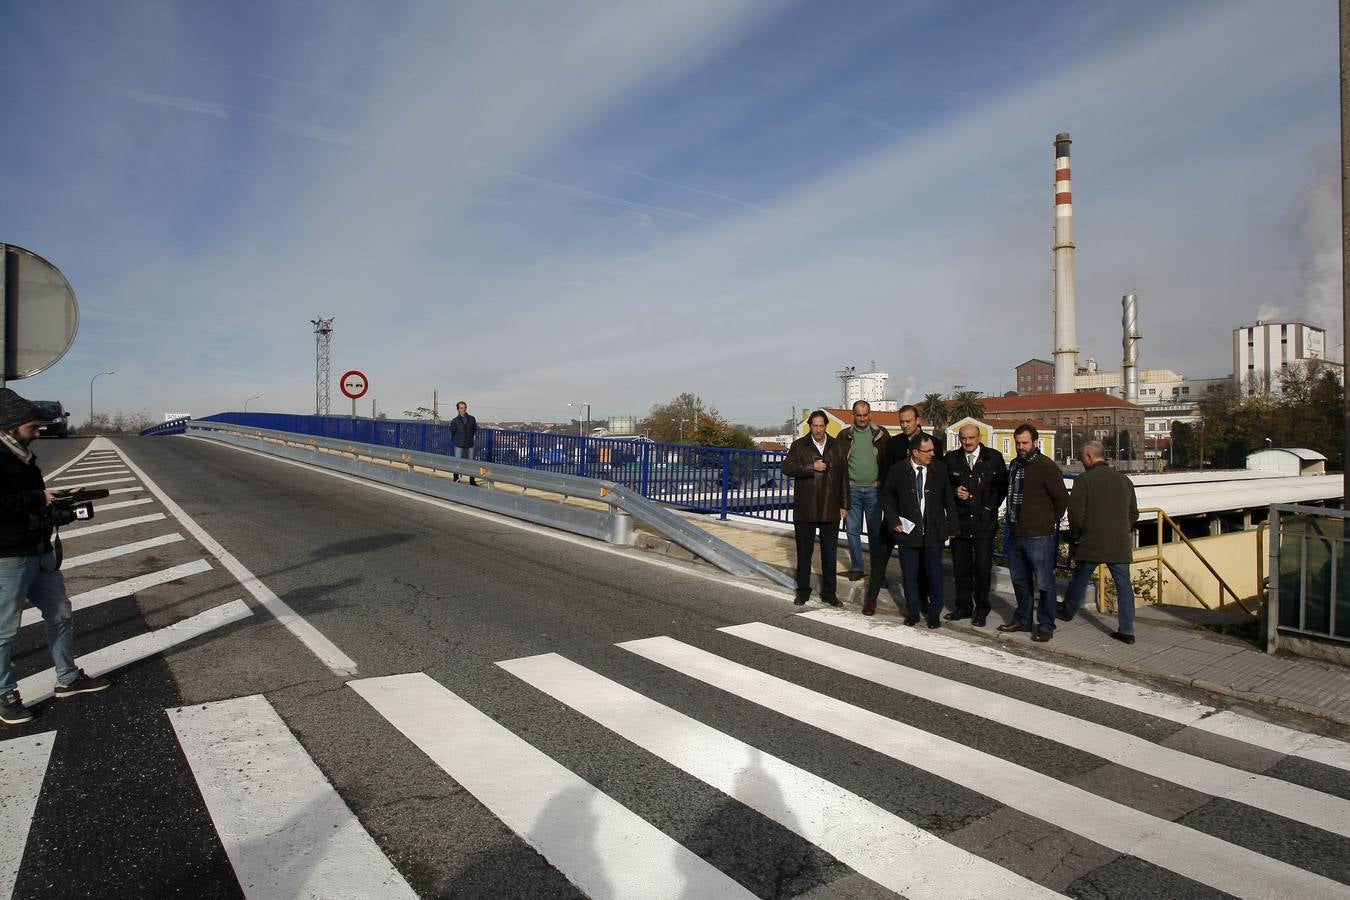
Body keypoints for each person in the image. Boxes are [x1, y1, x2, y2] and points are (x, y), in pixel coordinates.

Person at [0, 389, 111, 725]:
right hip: (9, 557)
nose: (39, 432)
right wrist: (38, 498)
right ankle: (4, 694)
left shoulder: (23, 456)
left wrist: (57, 507)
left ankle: (68, 677)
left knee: (60, 614)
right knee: (5, 629)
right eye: (33, 427)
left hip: (40, 551)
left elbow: (30, 503)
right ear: (11, 425)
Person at [868, 433, 958, 626]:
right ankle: (913, 611)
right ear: (915, 452)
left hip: (934, 531)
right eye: (928, 450)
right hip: (907, 532)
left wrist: (953, 526)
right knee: (909, 574)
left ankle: (934, 613)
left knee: (934, 574)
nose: (933, 453)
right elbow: (887, 497)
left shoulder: (940, 469)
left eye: (933, 449)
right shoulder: (897, 470)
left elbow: (948, 499)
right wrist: (893, 520)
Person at [1059, 441, 1140, 644]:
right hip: (1119, 542)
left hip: (1091, 540)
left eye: (1081, 458)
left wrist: (1077, 535)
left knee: (1080, 578)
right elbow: (1133, 512)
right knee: (1124, 587)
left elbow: (1076, 513)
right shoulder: (1124, 480)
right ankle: (1127, 631)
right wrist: (1122, 528)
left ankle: (1068, 611)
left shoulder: (1084, 480)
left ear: (1088, 457)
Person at [998, 424, 1069, 642]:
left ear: (1035, 443)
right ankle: (1023, 619)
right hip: (1016, 531)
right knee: (1019, 580)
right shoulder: (1015, 465)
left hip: (1039, 535)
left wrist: (1047, 520)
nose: (1020, 447)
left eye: (1025, 443)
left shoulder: (1045, 466)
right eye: (1018, 443)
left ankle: (1046, 624)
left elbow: (1061, 498)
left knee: (1045, 582)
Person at [943, 423, 1008, 627]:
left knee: (982, 569)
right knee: (961, 569)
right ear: (959, 439)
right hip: (960, 523)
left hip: (983, 524)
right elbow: (944, 486)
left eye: (971, 438)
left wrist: (989, 508)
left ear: (979, 438)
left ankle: (981, 610)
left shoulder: (993, 458)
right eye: (963, 438)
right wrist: (955, 492)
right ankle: (963, 607)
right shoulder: (951, 459)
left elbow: (1002, 487)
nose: (968, 442)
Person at [783, 411, 848, 606]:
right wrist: (812, 466)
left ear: (826, 426)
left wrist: (844, 504)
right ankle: (803, 591)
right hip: (806, 508)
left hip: (830, 507)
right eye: (815, 426)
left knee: (830, 554)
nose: (818, 430)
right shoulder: (799, 445)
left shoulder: (837, 446)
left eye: (821, 426)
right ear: (810, 426)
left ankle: (830, 594)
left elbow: (844, 476)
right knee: (804, 554)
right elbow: (787, 468)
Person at [835, 400, 889, 582]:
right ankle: (857, 567)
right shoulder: (844, 436)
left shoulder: (881, 434)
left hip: (874, 490)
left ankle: (877, 571)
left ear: (870, 414)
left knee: (875, 532)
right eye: (859, 415)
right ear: (853, 415)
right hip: (852, 489)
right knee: (852, 531)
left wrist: (881, 481)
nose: (862, 418)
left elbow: (888, 460)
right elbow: (836, 462)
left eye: (865, 415)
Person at [449, 401, 478, 486]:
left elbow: (474, 430)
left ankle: (472, 481)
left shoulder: (472, 419)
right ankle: (456, 479)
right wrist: (459, 439)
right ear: (458, 409)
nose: (463, 409)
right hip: (459, 445)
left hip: (470, 444)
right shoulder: (454, 421)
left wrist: (469, 437)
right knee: (457, 463)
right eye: (461, 408)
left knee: (471, 464)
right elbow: (452, 432)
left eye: (464, 407)